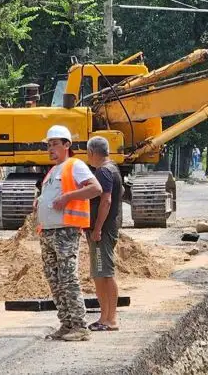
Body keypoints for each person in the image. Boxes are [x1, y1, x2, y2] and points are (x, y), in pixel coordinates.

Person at [34, 125, 103, 342]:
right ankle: (66, 324)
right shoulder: (53, 171)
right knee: (54, 280)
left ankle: (80, 326)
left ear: (67, 145)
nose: (50, 149)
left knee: (67, 279)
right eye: (49, 145)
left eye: (55, 144)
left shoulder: (75, 165)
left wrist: (68, 197)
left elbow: (96, 188)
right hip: (49, 232)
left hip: (66, 231)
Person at [85, 136, 123, 332]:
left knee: (104, 274)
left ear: (92, 152)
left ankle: (110, 319)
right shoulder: (113, 169)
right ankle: (105, 317)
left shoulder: (104, 172)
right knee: (101, 274)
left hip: (103, 230)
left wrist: (98, 228)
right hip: (106, 228)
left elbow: (106, 201)